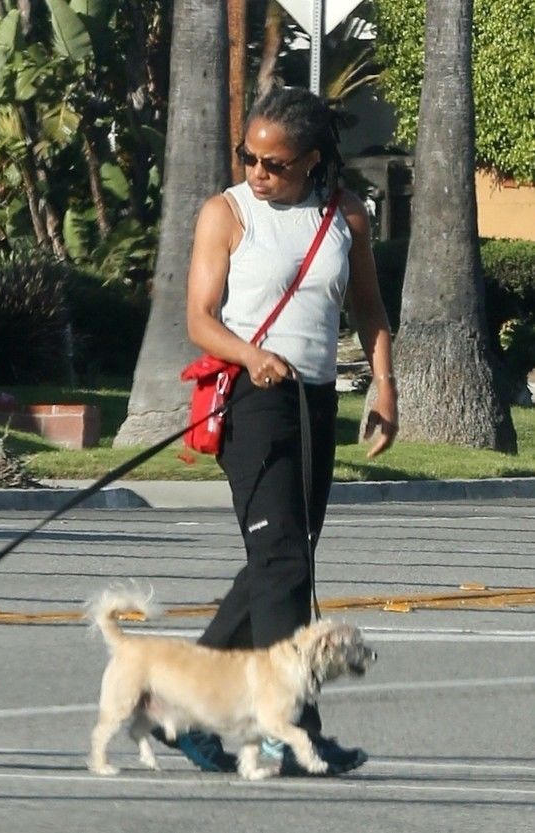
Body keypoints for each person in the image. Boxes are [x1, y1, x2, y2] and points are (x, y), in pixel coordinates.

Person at [175, 85, 399, 775]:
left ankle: (177, 699)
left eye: (274, 163)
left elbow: (370, 310)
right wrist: (250, 355)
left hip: (316, 403)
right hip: (251, 399)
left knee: (285, 560)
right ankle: (289, 727)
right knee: (283, 565)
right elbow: (200, 317)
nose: (258, 172)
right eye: (249, 157)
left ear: (310, 159)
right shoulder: (227, 212)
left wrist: (385, 387)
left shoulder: (346, 216)